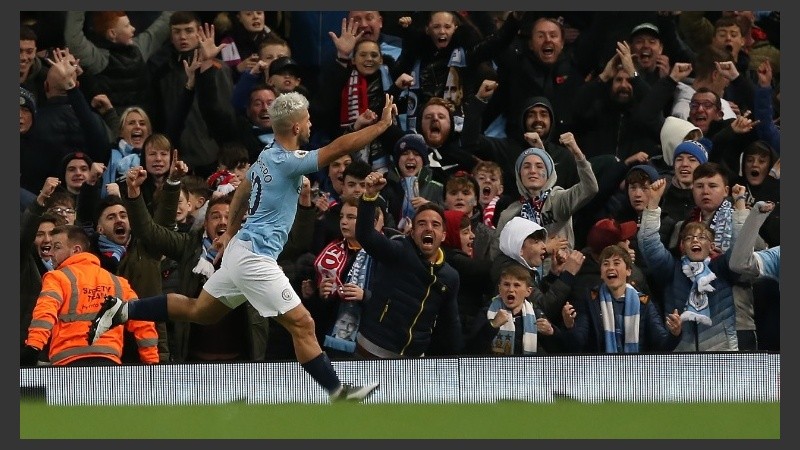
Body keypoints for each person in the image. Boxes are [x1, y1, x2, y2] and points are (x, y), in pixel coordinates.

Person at [89, 92, 397, 402]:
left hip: (240, 251)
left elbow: (243, 189)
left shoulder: (266, 155)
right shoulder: (289, 161)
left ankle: (123, 309)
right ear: (294, 127)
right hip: (255, 259)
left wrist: (228, 235)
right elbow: (339, 147)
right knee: (303, 324)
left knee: (200, 311)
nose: (310, 123)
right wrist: (382, 125)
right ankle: (338, 392)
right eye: (307, 119)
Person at [354, 174, 462, 358]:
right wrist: (369, 198)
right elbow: (366, 235)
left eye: (435, 225)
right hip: (372, 350)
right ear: (412, 232)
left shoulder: (450, 277)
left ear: (443, 235)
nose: (428, 228)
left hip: (412, 361)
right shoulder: (398, 251)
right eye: (422, 223)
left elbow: (450, 325)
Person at [21, 225, 159, 367]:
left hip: (67, 363)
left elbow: (44, 313)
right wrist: (151, 361)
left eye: (57, 247)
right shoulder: (118, 283)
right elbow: (143, 322)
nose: (51, 254)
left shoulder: (57, 277)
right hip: (108, 362)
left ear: (76, 250)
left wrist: (33, 347)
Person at [638, 178, 741, 352]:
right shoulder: (672, 269)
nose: (695, 240)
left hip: (723, 355)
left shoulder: (722, 268)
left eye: (702, 237)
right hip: (681, 354)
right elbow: (649, 244)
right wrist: (653, 204)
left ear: (712, 246)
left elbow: (741, 248)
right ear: (682, 246)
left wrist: (740, 206)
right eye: (689, 237)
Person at [569, 244, 682, 353]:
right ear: (601, 274)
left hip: (635, 369)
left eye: (616, 263)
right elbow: (578, 342)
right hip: (602, 369)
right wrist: (570, 326)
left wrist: (674, 334)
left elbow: (661, 344)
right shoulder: (590, 300)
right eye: (606, 264)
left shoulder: (643, 302)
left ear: (628, 271)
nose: (611, 268)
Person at [465, 264, 559, 355]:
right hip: (494, 370)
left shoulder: (537, 315)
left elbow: (559, 351)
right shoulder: (487, 312)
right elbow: (470, 350)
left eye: (516, 285)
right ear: (499, 289)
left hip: (527, 370)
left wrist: (551, 333)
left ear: (528, 291)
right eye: (506, 284)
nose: (510, 289)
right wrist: (492, 325)